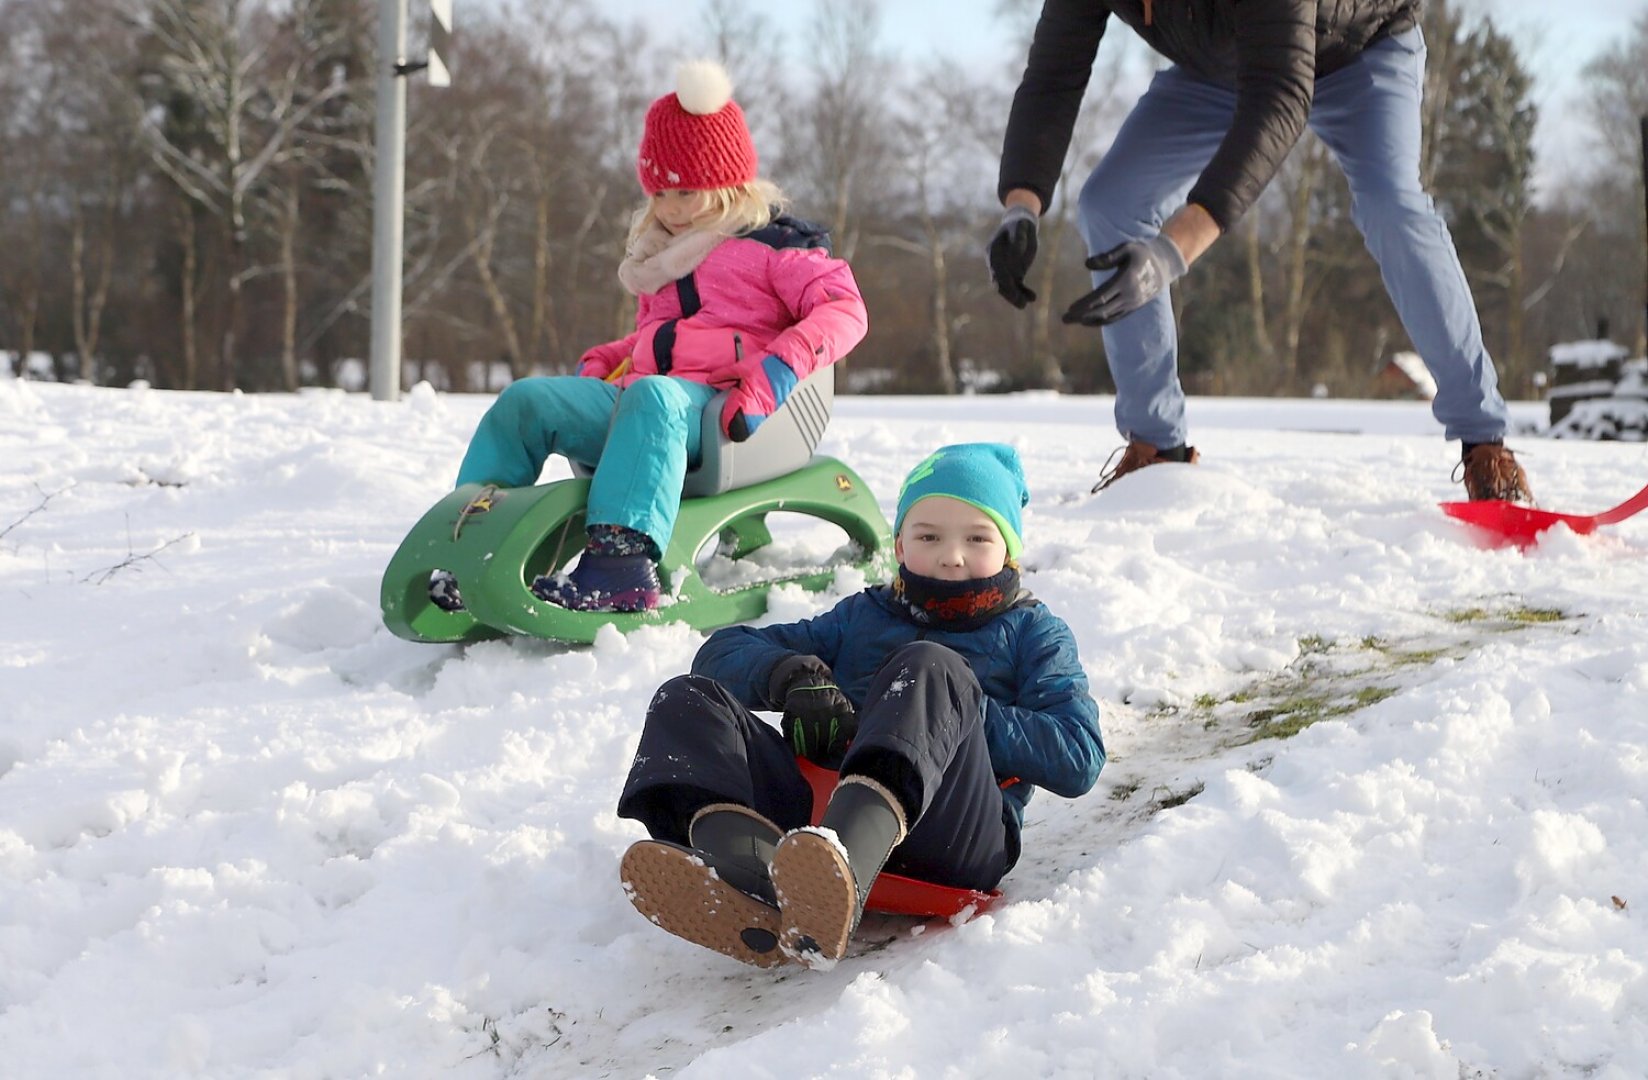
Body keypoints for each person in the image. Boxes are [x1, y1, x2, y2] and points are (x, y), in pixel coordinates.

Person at [987, 0, 1535, 504]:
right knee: (1111, 201)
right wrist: (1021, 207)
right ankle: (1158, 450)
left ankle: (1483, 440)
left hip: (1359, 52)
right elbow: (1053, 77)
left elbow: (1281, 98)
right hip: (1224, 69)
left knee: (1391, 205)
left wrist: (1173, 252)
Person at [614, 443, 1105, 968]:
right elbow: (721, 652)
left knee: (928, 665)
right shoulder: (864, 615)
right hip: (814, 815)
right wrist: (793, 678)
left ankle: (839, 872)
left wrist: (956, 712)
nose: (951, 555)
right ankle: (746, 876)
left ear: (1008, 550)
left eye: (977, 537)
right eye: (929, 536)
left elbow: (1078, 756)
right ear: (898, 544)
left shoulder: (1033, 631)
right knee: (685, 699)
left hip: (949, 838)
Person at [431, 60, 867, 614]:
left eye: (685, 191)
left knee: (654, 396)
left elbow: (844, 311)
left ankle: (621, 569)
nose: (670, 208)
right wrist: (611, 358)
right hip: (649, 407)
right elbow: (671, 338)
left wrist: (772, 376)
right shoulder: (662, 257)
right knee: (528, 400)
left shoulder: (777, 246)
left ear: (728, 179)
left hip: (734, 417)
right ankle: (472, 543)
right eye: (659, 193)